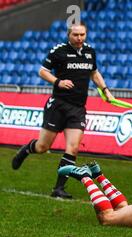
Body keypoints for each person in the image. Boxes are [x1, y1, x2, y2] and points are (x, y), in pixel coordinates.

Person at [11, 22, 114, 199]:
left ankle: (58, 189)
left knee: (73, 149)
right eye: (76, 35)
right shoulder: (58, 51)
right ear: (69, 35)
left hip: (78, 108)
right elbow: (42, 71)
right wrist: (58, 82)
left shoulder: (90, 52)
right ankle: (26, 150)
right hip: (58, 105)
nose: (79, 38)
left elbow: (94, 74)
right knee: (43, 147)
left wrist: (105, 90)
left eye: (82, 34)